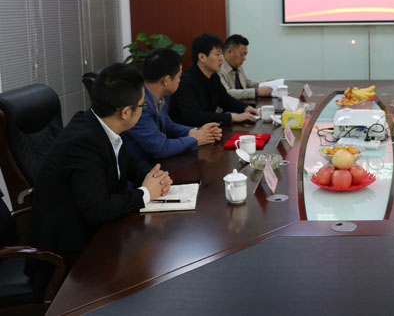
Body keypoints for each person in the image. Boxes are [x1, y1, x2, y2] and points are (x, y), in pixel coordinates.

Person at [29, 63, 173, 290]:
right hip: (71, 256)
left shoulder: (99, 124)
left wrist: (153, 175)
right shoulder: (84, 142)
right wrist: (146, 193)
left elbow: (128, 161)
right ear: (125, 112)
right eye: (142, 105)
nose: (143, 109)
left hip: (96, 232)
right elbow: (98, 209)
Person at [122, 48, 222, 163]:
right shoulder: (140, 105)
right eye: (179, 76)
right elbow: (161, 148)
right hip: (144, 168)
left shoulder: (158, 95)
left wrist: (201, 131)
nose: (180, 80)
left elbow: (169, 126)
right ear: (166, 80)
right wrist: (194, 139)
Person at [169, 33, 258, 126]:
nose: (221, 59)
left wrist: (245, 108)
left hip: (208, 129)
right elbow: (195, 116)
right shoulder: (185, 82)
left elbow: (226, 100)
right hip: (189, 132)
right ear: (202, 57)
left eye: (221, 54)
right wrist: (232, 117)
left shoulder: (213, 76)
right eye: (217, 54)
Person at [219, 34, 274, 100]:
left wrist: (266, 84)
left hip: (242, 103)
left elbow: (247, 83)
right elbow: (226, 93)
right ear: (229, 52)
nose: (244, 58)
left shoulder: (238, 66)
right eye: (242, 54)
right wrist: (256, 92)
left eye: (245, 55)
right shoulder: (217, 68)